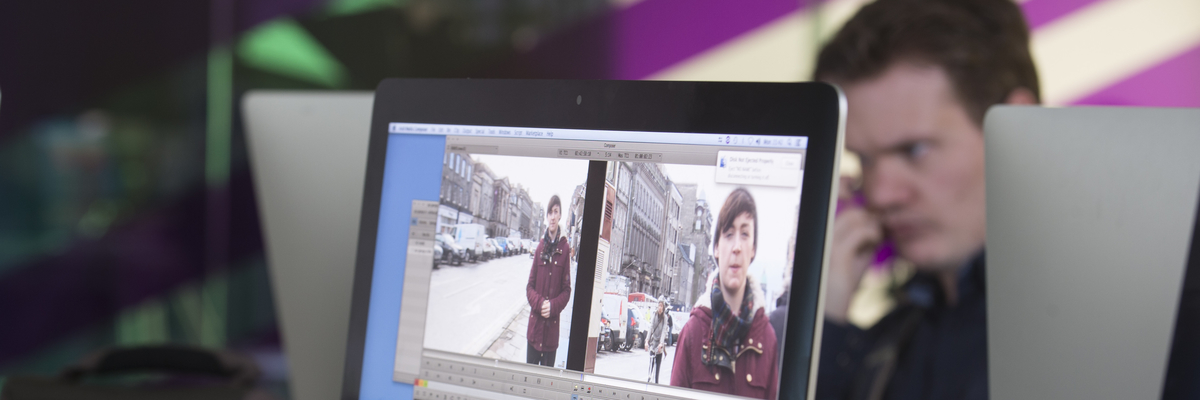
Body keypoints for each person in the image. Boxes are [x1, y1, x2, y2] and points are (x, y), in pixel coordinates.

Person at [813, 0, 1039, 399]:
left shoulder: (1122, 323)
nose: (881, 193)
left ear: (1016, 126)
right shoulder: (876, 349)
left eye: (914, 150)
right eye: (862, 158)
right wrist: (820, 322)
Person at [671, 188, 778, 400]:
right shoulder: (693, 332)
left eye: (745, 234)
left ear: (753, 248)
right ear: (717, 248)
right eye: (729, 234)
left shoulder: (766, 338)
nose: (737, 247)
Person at [526, 195, 572, 367]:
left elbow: (567, 291)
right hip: (534, 333)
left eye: (556, 212)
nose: (552, 216)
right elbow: (529, 287)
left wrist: (552, 306)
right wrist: (540, 303)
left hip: (551, 337)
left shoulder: (565, 249)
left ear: (560, 215)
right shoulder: (539, 248)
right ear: (547, 217)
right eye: (550, 213)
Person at [646, 300, 670, 383]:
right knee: (651, 365)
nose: (660, 308)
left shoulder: (665, 318)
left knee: (657, 368)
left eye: (661, 306)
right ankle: (648, 379)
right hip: (653, 343)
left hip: (659, 344)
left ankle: (656, 382)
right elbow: (651, 327)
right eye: (659, 306)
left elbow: (664, 331)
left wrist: (661, 343)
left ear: (663, 308)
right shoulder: (654, 315)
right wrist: (647, 340)